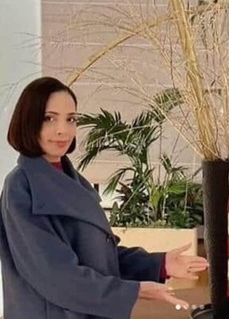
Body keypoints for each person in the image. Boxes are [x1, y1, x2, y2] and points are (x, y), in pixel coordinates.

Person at [0, 77, 209, 318]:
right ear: (29, 121)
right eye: (50, 118)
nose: (63, 130)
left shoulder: (73, 180)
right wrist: (134, 291)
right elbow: (56, 276)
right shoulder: (21, 186)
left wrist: (160, 264)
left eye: (71, 119)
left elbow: (101, 257)